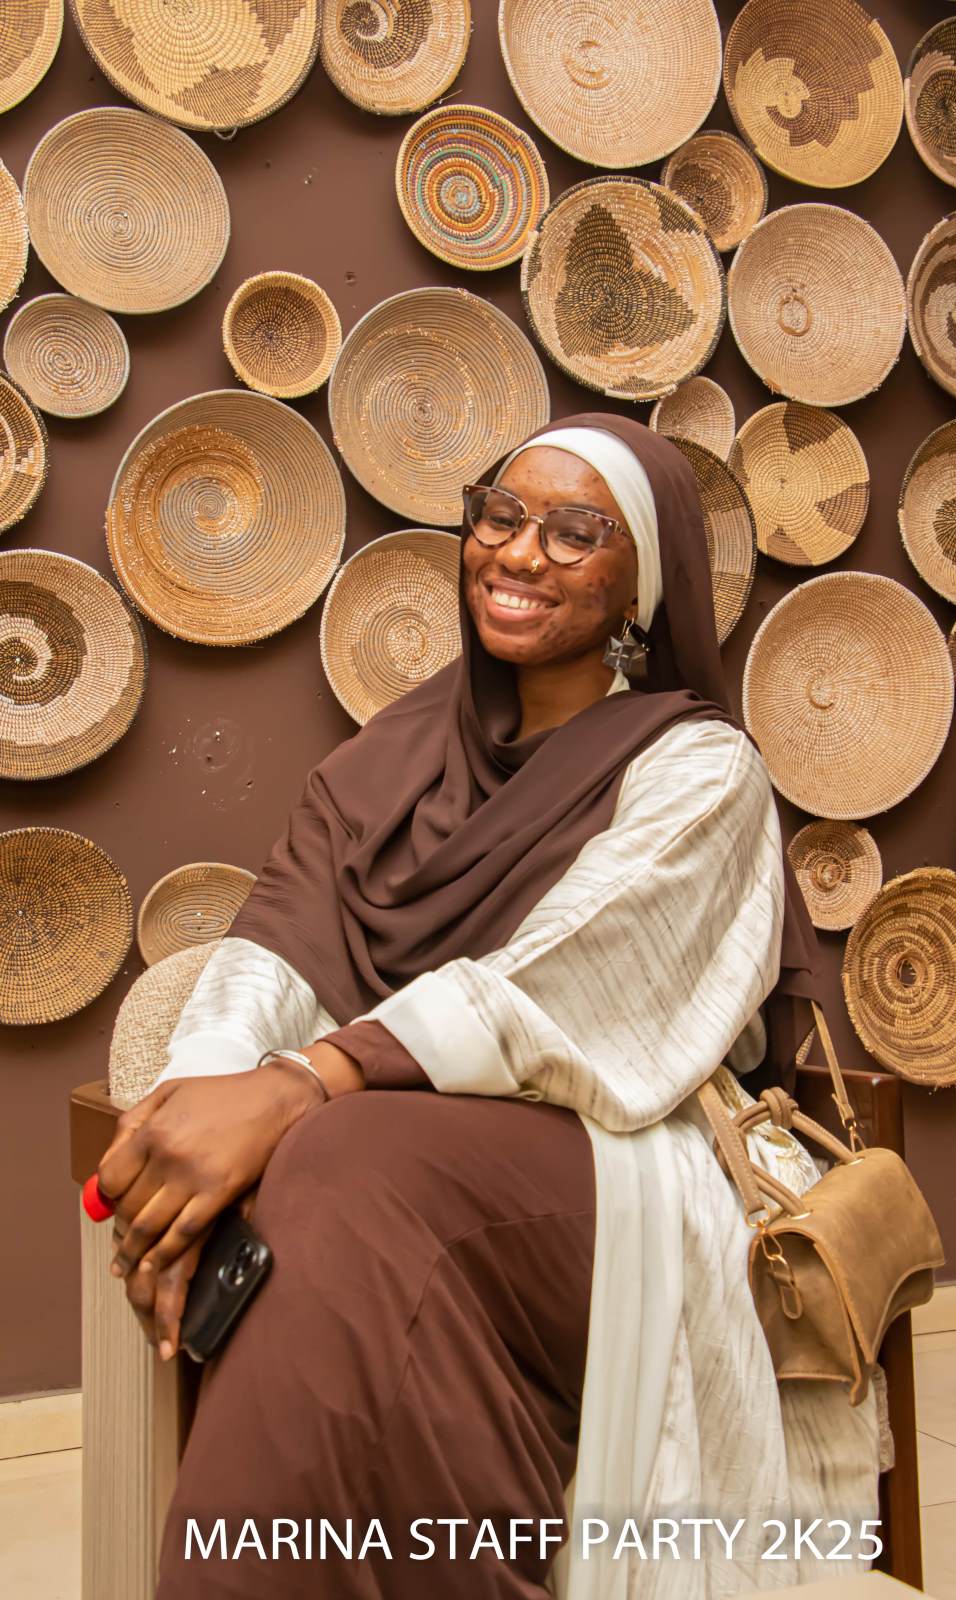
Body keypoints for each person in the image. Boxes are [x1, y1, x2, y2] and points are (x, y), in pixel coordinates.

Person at [97, 413, 880, 1599]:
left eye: (574, 532)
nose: (517, 552)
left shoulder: (700, 767)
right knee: (301, 1170)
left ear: (642, 584)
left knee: (343, 1156)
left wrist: (305, 1081)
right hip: (392, 1147)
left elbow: (573, 980)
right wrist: (197, 1111)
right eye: (500, 516)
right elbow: (272, 949)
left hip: (616, 1159)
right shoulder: (391, 755)